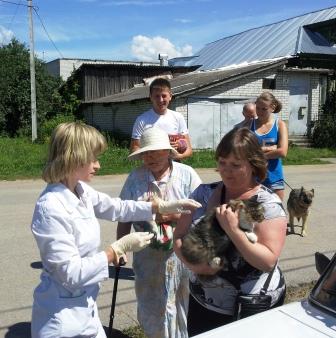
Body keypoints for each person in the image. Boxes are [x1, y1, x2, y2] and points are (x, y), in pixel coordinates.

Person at [30, 122, 201, 338]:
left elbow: (117, 207)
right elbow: (71, 274)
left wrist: (157, 207)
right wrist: (116, 249)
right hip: (61, 318)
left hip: (85, 309)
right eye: (93, 158)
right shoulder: (51, 207)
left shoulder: (80, 191)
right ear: (74, 157)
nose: (98, 165)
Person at [174, 128, 287, 336]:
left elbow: (267, 261)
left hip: (252, 308)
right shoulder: (202, 193)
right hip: (205, 303)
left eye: (235, 165)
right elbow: (179, 236)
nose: (227, 170)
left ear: (253, 165)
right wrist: (194, 264)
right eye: (222, 162)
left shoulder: (268, 204)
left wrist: (233, 230)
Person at [117, 126, 202, 338]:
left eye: (155, 152)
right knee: (151, 304)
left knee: (183, 302)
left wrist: (171, 216)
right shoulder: (135, 178)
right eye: (145, 153)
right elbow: (123, 214)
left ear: (168, 151)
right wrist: (120, 247)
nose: (150, 157)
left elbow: (202, 211)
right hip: (147, 255)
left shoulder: (187, 175)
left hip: (182, 253)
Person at [130, 77, 193, 160]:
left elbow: (189, 150)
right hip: (151, 166)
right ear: (151, 97)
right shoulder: (141, 120)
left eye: (164, 96)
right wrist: (150, 152)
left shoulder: (178, 117)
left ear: (170, 96)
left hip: (174, 165)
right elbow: (134, 149)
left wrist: (178, 155)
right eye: (157, 96)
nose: (160, 100)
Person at [251, 92, 288, 201]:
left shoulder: (280, 125)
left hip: (274, 179)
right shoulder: (249, 124)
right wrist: (270, 148)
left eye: (264, 109)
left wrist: (258, 154)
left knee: (276, 214)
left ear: (272, 107)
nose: (260, 112)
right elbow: (244, 150)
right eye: (258, 108)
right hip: (253, 179)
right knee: (253, 216)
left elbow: (282, 152)